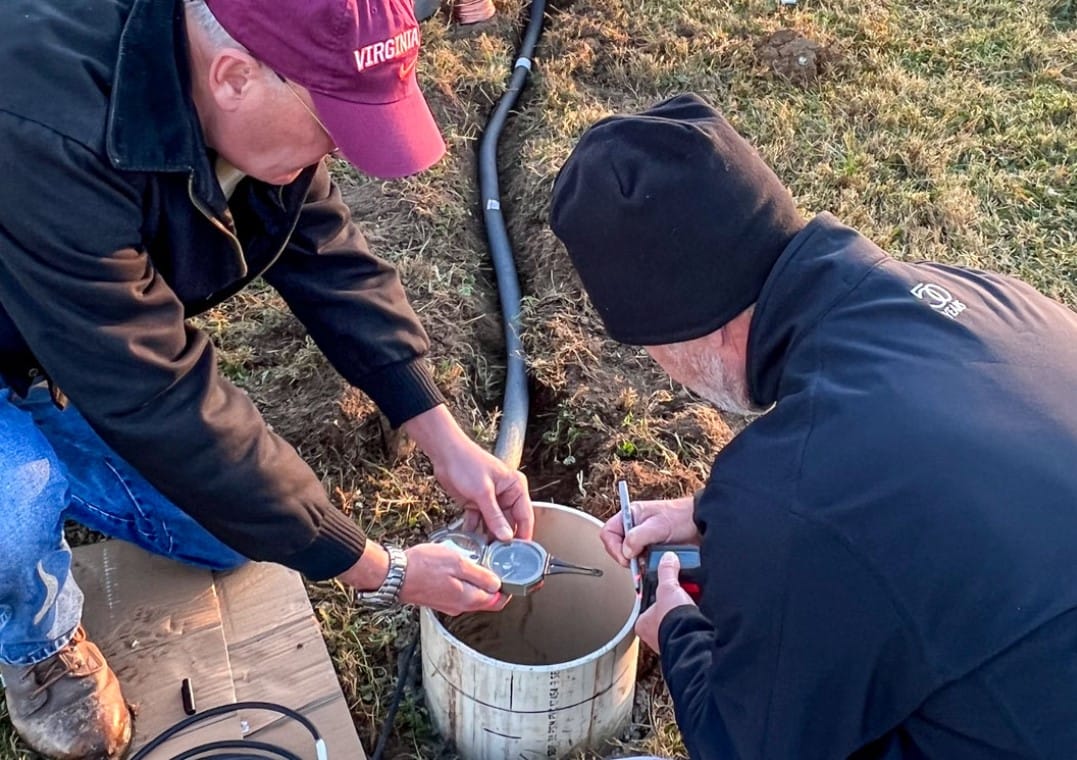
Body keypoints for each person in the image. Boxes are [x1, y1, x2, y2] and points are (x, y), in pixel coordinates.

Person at [0, 0, 533, 757]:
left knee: (229, 534)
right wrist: (380, 570)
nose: (337, 151)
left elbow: (327, 254)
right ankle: (36, 640)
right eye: (329, 125)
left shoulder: (239, 82)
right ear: (233, 76)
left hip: (72, 338)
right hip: (47, 325)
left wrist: (442, 436)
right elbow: (160, 392)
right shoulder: (44, 128)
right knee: (16, 504)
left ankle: (51, 441)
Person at [550, 93, 1077, 759]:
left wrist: (677, 629)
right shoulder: (990, 299)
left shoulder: (791, 493)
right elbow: (916, 490)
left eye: (649, 349)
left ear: (683, 326)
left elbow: (746, 745)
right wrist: (710, 517)